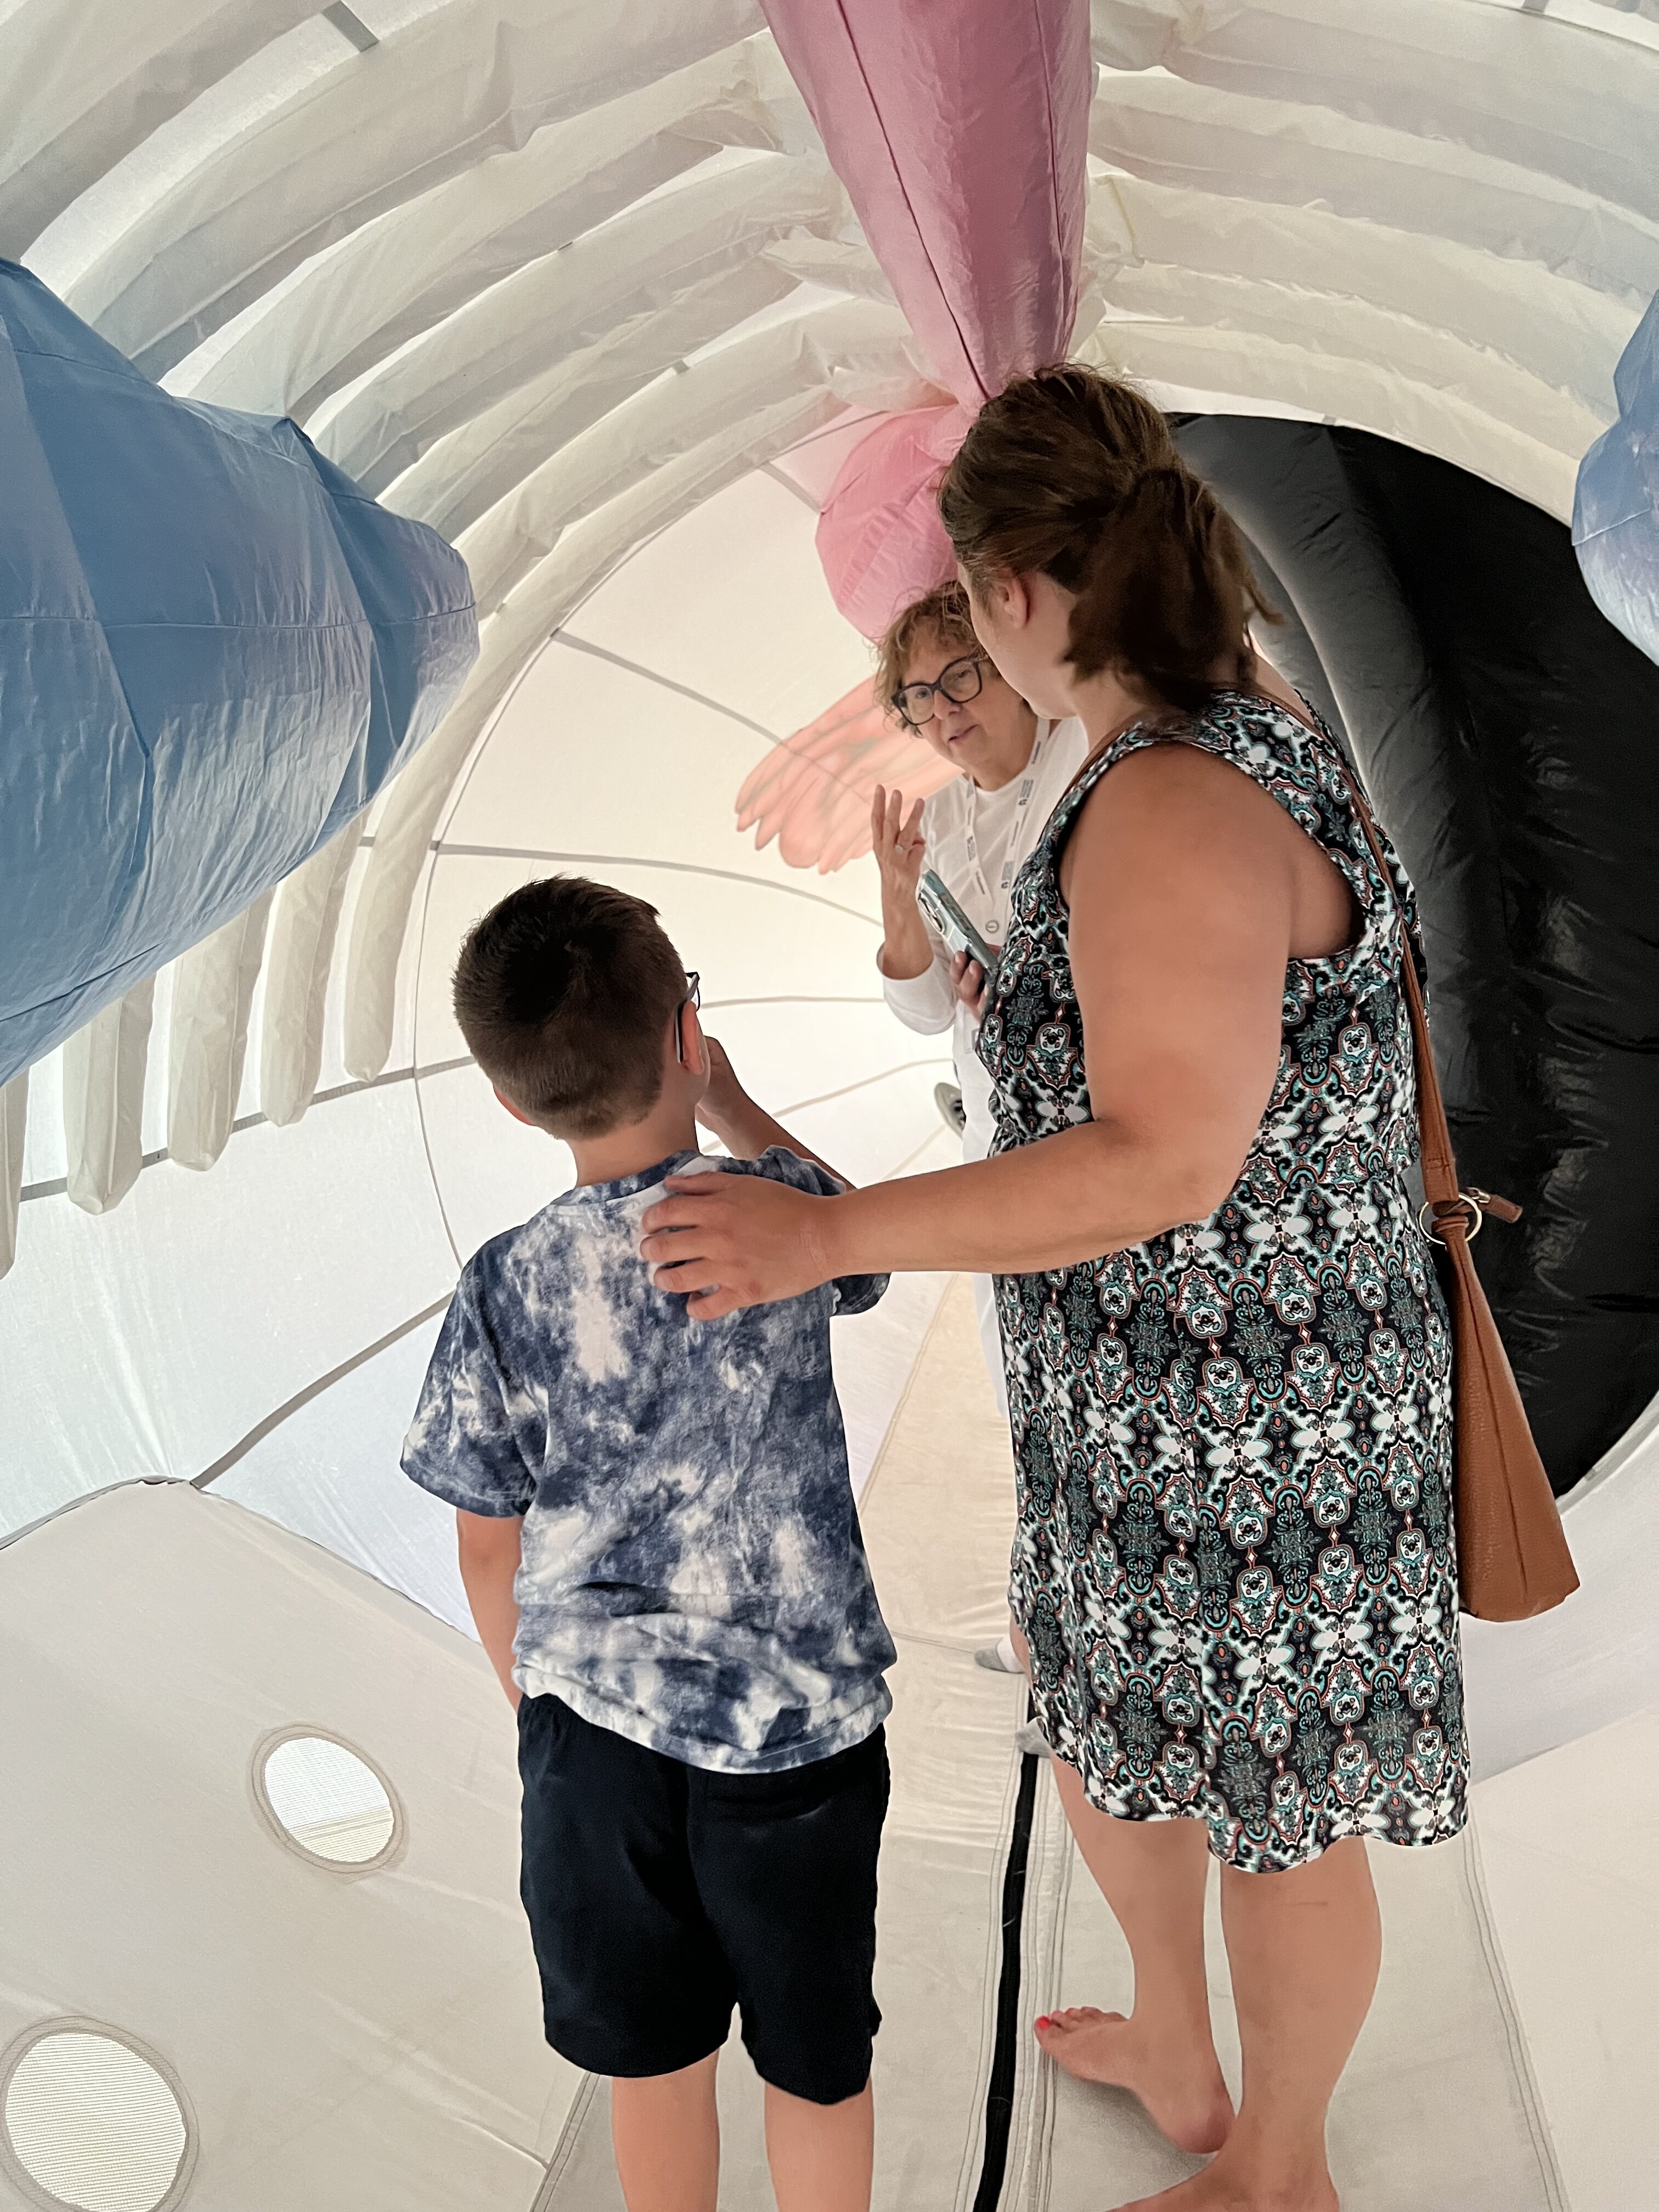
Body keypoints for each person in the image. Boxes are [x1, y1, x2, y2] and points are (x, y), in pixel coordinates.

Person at [637, 366, 1466, 2212]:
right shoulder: (1207, 742)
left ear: (1009, 595)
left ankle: (1283, 2174)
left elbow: (1165, 1158)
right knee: (1112, 1732)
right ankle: (1178, 2046)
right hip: (1142, 1409)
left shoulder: (1173, 797)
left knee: (1280, 1819)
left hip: (1262, 1427)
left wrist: (824, 1234)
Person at [402, 876, 895, 2212]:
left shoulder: (501, 1282)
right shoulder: (783, 1209)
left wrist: (537, 1700)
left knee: (652, 2066)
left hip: (594, 1753)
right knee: (814, 2069)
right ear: (688, 1030)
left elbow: (484, 1544)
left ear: (510, 1102)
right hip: (796, 1740)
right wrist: (731, 1105)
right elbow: (870, 1254)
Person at [869, 583, 1087, 1409]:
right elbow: (927, 1012)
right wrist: (899, 897)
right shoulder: (932, 824)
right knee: (1022, 1368)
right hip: (1000, 1126)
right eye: (919, 696)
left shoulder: (1081, 749)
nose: (944, 710)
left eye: (962, 676)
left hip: (1098, 1111)